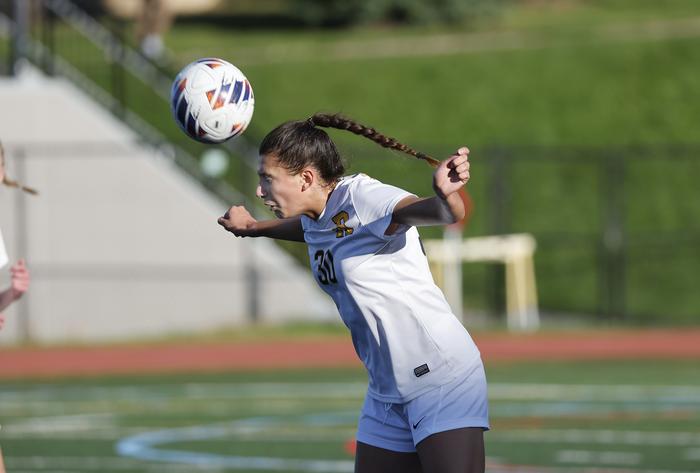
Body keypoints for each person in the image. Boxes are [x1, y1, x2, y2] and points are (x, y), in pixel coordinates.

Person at [218, 113, 488, 473]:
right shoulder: (318, 216)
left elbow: (440, 212)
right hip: (385, 391)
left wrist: (446, 196)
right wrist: (254, 228)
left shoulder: (362, 198)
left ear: (307, 178)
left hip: (442, 377)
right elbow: (314, 230)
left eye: (267, 179)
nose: (259, 190)